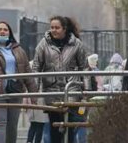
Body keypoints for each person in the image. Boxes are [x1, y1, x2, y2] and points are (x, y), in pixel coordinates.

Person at [33, 15, 88, 143]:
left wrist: (87, 91)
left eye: (57, 27)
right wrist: (34, 92)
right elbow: (36, 67)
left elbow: (84, 67)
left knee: (69, 127)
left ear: (64, 29)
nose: (54, 30)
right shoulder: (43, 44)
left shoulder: (76, 44)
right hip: (52, 92)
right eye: (52, 27)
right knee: (55, 127)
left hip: (72, 90)